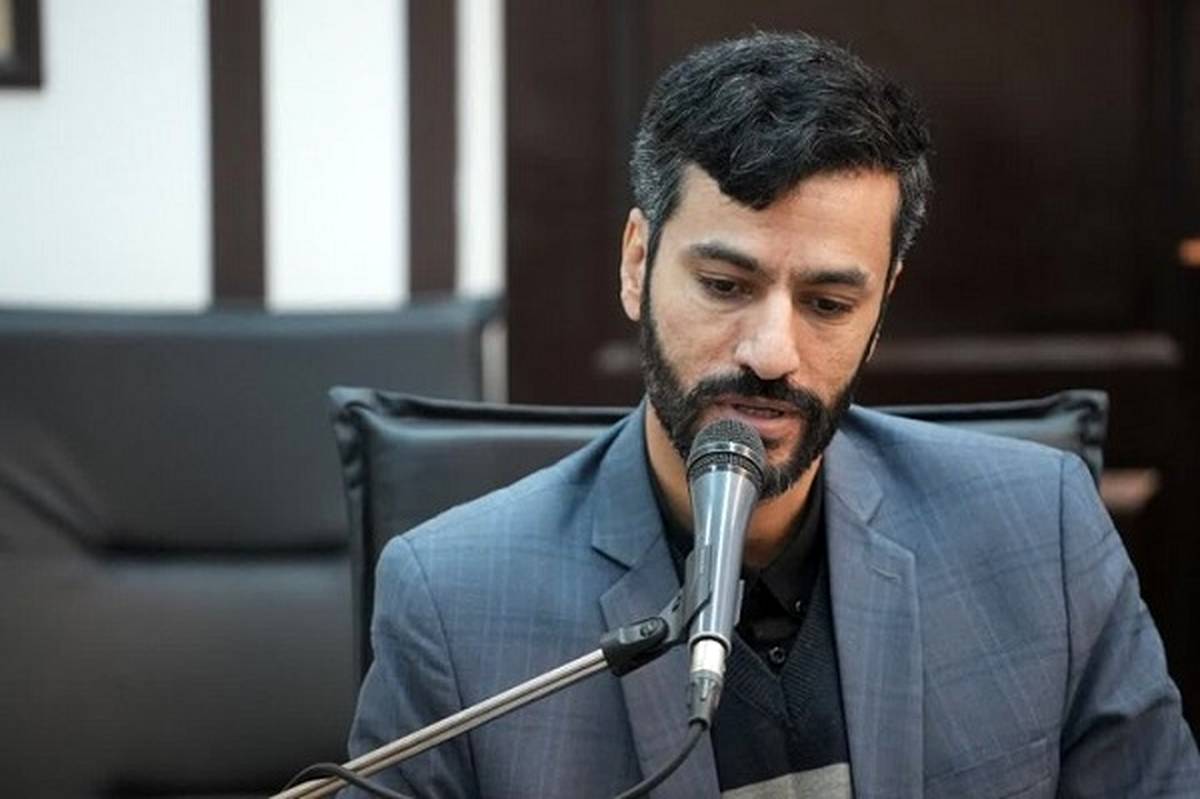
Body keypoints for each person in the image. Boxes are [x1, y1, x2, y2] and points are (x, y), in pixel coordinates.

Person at [346, 32, 1200, 797]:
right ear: (638, 264)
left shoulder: (1042, 533)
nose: (771, 352)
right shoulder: (455, 599)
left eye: (828, 303)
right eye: (725, 285)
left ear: (881, 306)